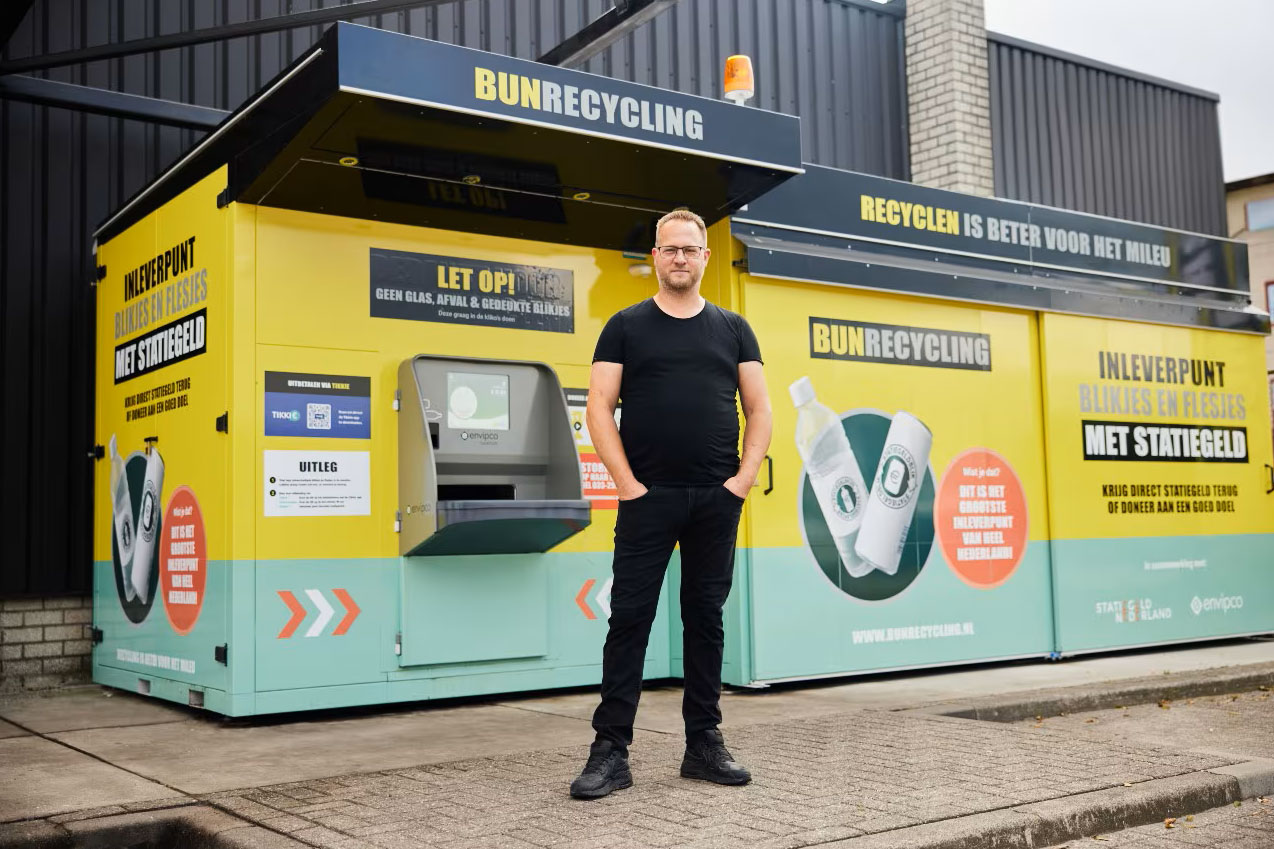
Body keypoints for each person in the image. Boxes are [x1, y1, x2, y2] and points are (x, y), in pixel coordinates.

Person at [569, 209, 773, 800]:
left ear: (706, 257)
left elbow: (758, 407)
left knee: (705, 620)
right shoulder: (625, 326)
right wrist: (627, 485)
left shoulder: (734, 329)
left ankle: (703, 744)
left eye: (690, 248)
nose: (680, 258)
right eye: (669, 249)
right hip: (647, 498)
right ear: (655, 256)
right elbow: (598, 406)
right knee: (629, 619)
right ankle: (611, 752)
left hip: (716, 497)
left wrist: (741, 479)